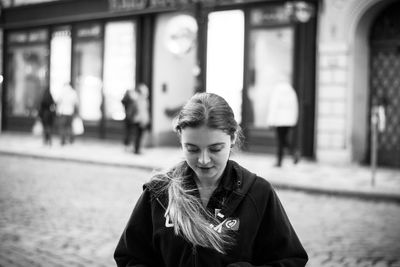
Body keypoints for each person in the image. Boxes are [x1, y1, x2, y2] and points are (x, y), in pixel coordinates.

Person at [114, 92, 308, 267]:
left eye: (215, 149)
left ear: (232, 138)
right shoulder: (158, 192)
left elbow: (291, 259)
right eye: (192, 149)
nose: (204, 160)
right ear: (180, 138)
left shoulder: (258, 193)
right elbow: (129, 257)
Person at [266, 80, 300, 167]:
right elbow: (295, 107)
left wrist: (271, 121)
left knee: (281, 141)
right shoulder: (292, 92)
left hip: (279, 120)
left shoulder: (277, 91)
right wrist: (294, 120)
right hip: (289, 120)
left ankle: (280, 161)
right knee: (284, 140)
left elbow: (274, 106)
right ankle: (293, 152)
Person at [122, 83, 150, 154]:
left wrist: (146, 119)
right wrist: (139, 119)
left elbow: (145, 111)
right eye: (145, 91)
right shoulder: (137, 100)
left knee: (140, 135)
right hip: (137, 120)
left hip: (141, 120)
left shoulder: (144, 100)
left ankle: (137, 149)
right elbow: (138, 111)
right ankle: (136, 149)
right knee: (136, 135)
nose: (147, 93)